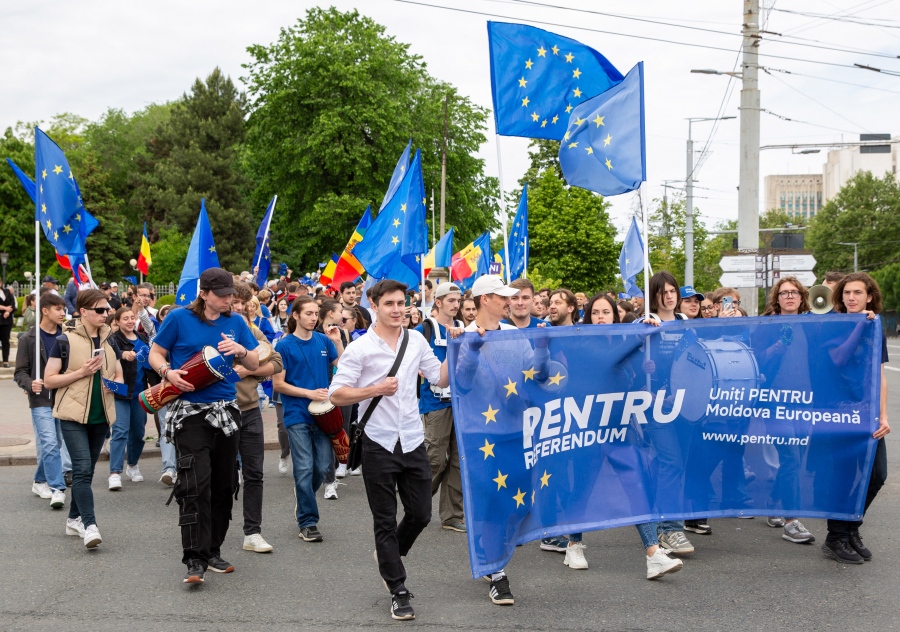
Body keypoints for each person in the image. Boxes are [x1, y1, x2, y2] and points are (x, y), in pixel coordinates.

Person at [330, 280, 456, 621]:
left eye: (402, 303)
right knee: (384, 520)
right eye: (390, 304)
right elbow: (337, 394)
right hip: (378, 442)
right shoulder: (360, 349)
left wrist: (459, 350)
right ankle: (398, 589)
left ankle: (388, 556)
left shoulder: (416, 340)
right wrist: (375, 389)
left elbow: (440, 379)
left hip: (413, 439)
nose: (398, 309)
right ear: (374, 305)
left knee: (420, 515)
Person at [149, 268, 260, 584]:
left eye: (231, 295)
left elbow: (253, 363)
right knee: (194, 485)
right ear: (204, 293)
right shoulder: (179, 319)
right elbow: (156, 353)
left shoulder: (237, 322)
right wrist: (167, 372)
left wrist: (241, 351)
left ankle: (213, 550)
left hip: (226, 412)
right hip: (191, 414)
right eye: (223, 295)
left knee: (225, 486)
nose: (228, 300)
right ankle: (194, 559)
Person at [578, 292, 685, 579]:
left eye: (606, 313)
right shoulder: (583, 343)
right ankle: (574, 543)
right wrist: (641, 334)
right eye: (596, 313)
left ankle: (653, 553)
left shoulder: (624, 346)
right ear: (588, 318)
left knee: (636, 484)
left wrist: (642, 373)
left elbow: (626, 380)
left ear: (616, 316)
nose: (601, 318)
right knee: (583, 487)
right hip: (587, 429)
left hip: (620, 428)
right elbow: (607, 362)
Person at [43, 289, 124, 549]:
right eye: (100, 310)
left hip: (100, 415)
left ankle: (73, 519)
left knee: (86, 471)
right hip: (72, 414)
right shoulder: (64, 340)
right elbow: (49, 380)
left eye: (107, 309)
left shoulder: (110, 339)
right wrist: (81, 372)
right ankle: (90, 525)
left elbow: (119, 375)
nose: (106, 314)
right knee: (81, 468)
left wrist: (114, 384)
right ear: (84, 311)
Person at [821, 272, 889, 564]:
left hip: (867, 414)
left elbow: (880, 375)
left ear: (869, 296)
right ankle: (835, 537)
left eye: (858, 293)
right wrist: (858, 328)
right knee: (844, 476)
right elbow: (839, 358)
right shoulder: (835, 325)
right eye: (847, 293)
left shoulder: (876, 327)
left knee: (877, 475)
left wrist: (883, 415)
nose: (851, 297)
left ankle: (851, 528)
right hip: (839, 413)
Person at [273, 295, 344, 542]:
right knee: (303, 467)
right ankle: (308, 521)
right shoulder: (283, 345)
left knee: (323, 465)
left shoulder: (324, 340)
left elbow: (344, 368)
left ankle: (303, 497)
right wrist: (308, 393)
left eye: (316, 314)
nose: (314, 318)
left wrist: (338, 342)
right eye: (308, 314)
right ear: (295, 316)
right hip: (297, 414)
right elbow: (278, 384)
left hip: (324, 414)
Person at [752, 278, 817, 544]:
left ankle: (774, 501)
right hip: (776, 403)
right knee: (790, 457)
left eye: (794, 293)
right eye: (784, 293)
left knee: (797, 458)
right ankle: (791, 522)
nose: (789, 296)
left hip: (805, 403)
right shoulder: (766, 326)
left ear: (802, 298)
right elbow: (756, 361)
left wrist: (867, 316)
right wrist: (777, 347)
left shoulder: (812, 326)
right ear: (776, 299)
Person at [640, 272, 696, 555]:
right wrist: (642, 370)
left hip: (684, 406)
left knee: (675, 465)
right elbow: (627, 362)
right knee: (671, 462)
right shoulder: (645, 324)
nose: (670, 296)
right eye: (663, 292)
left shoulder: (687, 324)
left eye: (673, 290)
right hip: (655, 407)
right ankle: (670, 529)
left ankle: (661, 521)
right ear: (655, 295)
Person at [232, 284, 283, 554]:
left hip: (249, 409)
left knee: (254, 473)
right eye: (234, 302)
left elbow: (276, 361)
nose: (239, 307)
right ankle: (211, 532)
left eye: (243, 303)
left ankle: (252, 532)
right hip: (216, 411)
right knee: (220, 476)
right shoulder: (206, 329)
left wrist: (250, 371)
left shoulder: (250, 331)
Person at [415, 283, 466, 533]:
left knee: (459, 460)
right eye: (451, 301)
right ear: (438, 302)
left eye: (458, 300)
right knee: (435, 458)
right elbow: (407, 357)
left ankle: (452, 515)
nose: (456, 305)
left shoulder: (463, 328)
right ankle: (416, 505)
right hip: (435, 402)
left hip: (462, 402)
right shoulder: (424, 328)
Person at [14, 292, 72, 508]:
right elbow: (20, 372)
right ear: (45, 311)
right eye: (58, 309)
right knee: (49, 442)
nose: (62, 313)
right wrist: (30, 384)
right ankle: (57, 488)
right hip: (40, 399)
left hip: (62, 397)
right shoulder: (28, 338)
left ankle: (39, 480)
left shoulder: (66, 336)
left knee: (55, 443)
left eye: (63, 308)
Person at [108, 308, 151, 491]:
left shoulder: (142, 339)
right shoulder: (113, 340)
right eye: (125, 318)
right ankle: (114, 473)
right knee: (120, 431)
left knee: (138, 433)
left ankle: (132, 465)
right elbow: (107, 361)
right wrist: (122, 355)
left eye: (132, 318)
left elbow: (150, 363)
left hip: (139, 393)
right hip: (120, 392)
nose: (129, 321)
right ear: (117, 321)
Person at [0, 281, 15, 368]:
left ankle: (6, 360)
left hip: (6, 320)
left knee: (5, 341)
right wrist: (5, 308)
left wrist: (8, 311)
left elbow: (12, 303)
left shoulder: (6, 292)